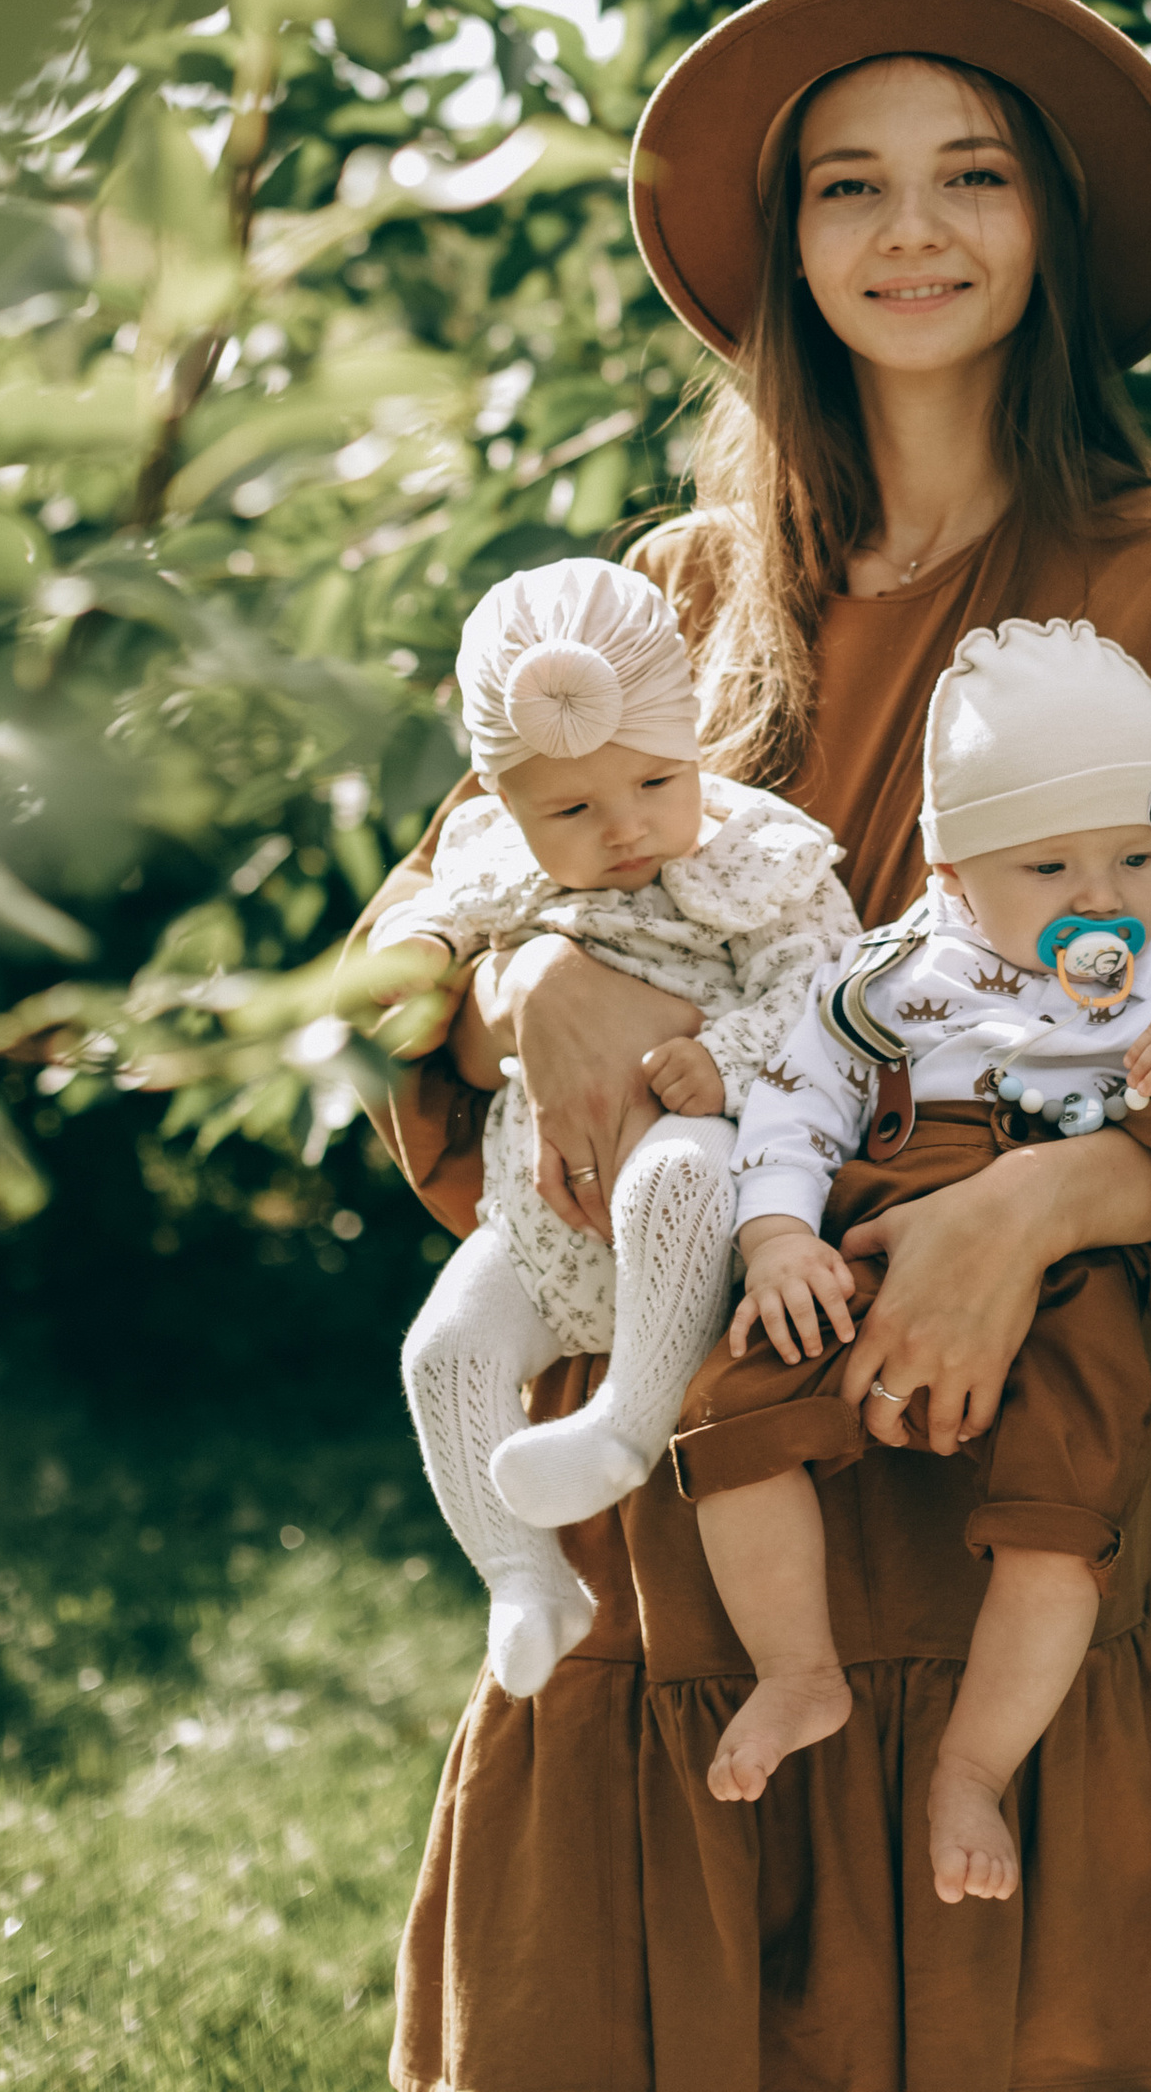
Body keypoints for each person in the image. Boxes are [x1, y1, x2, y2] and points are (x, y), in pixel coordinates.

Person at [354, 0, 1151, 2092]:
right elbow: (394, 956)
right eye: (849, 187)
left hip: (1001, 1445)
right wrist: (520, 977)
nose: (912, 232)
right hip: (690, 1447)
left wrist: (1030, 1212)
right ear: (784, 247)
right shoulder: (658, 603)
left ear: (1047, 227)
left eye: (968, 177)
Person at [678, 613, 1151, 1908]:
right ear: (950, 867)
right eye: (1048, 864)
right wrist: (775, 1231)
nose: (1102, 896)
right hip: (879, 1228)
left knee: (1064, 1524)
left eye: (1136, 854)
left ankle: (974, 1769)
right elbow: (794, 1095)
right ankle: (797, 1669)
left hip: (1084, 1277)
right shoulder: (892, 976)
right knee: (732, 1415)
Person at [366, 555, 856, 1695]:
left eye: (654, 783)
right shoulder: (500, 862)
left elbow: (824, 993)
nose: (627, 828)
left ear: (693, 746)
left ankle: (628, 1420)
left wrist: (718, 1057)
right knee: (441, 1353)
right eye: (573, 809)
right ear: (505, 805)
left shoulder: (752, 858)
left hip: (697, 1166)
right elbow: (436, 923)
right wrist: (431, 966)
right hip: (540, 1215)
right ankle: (522, 1577)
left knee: (673, 1177)